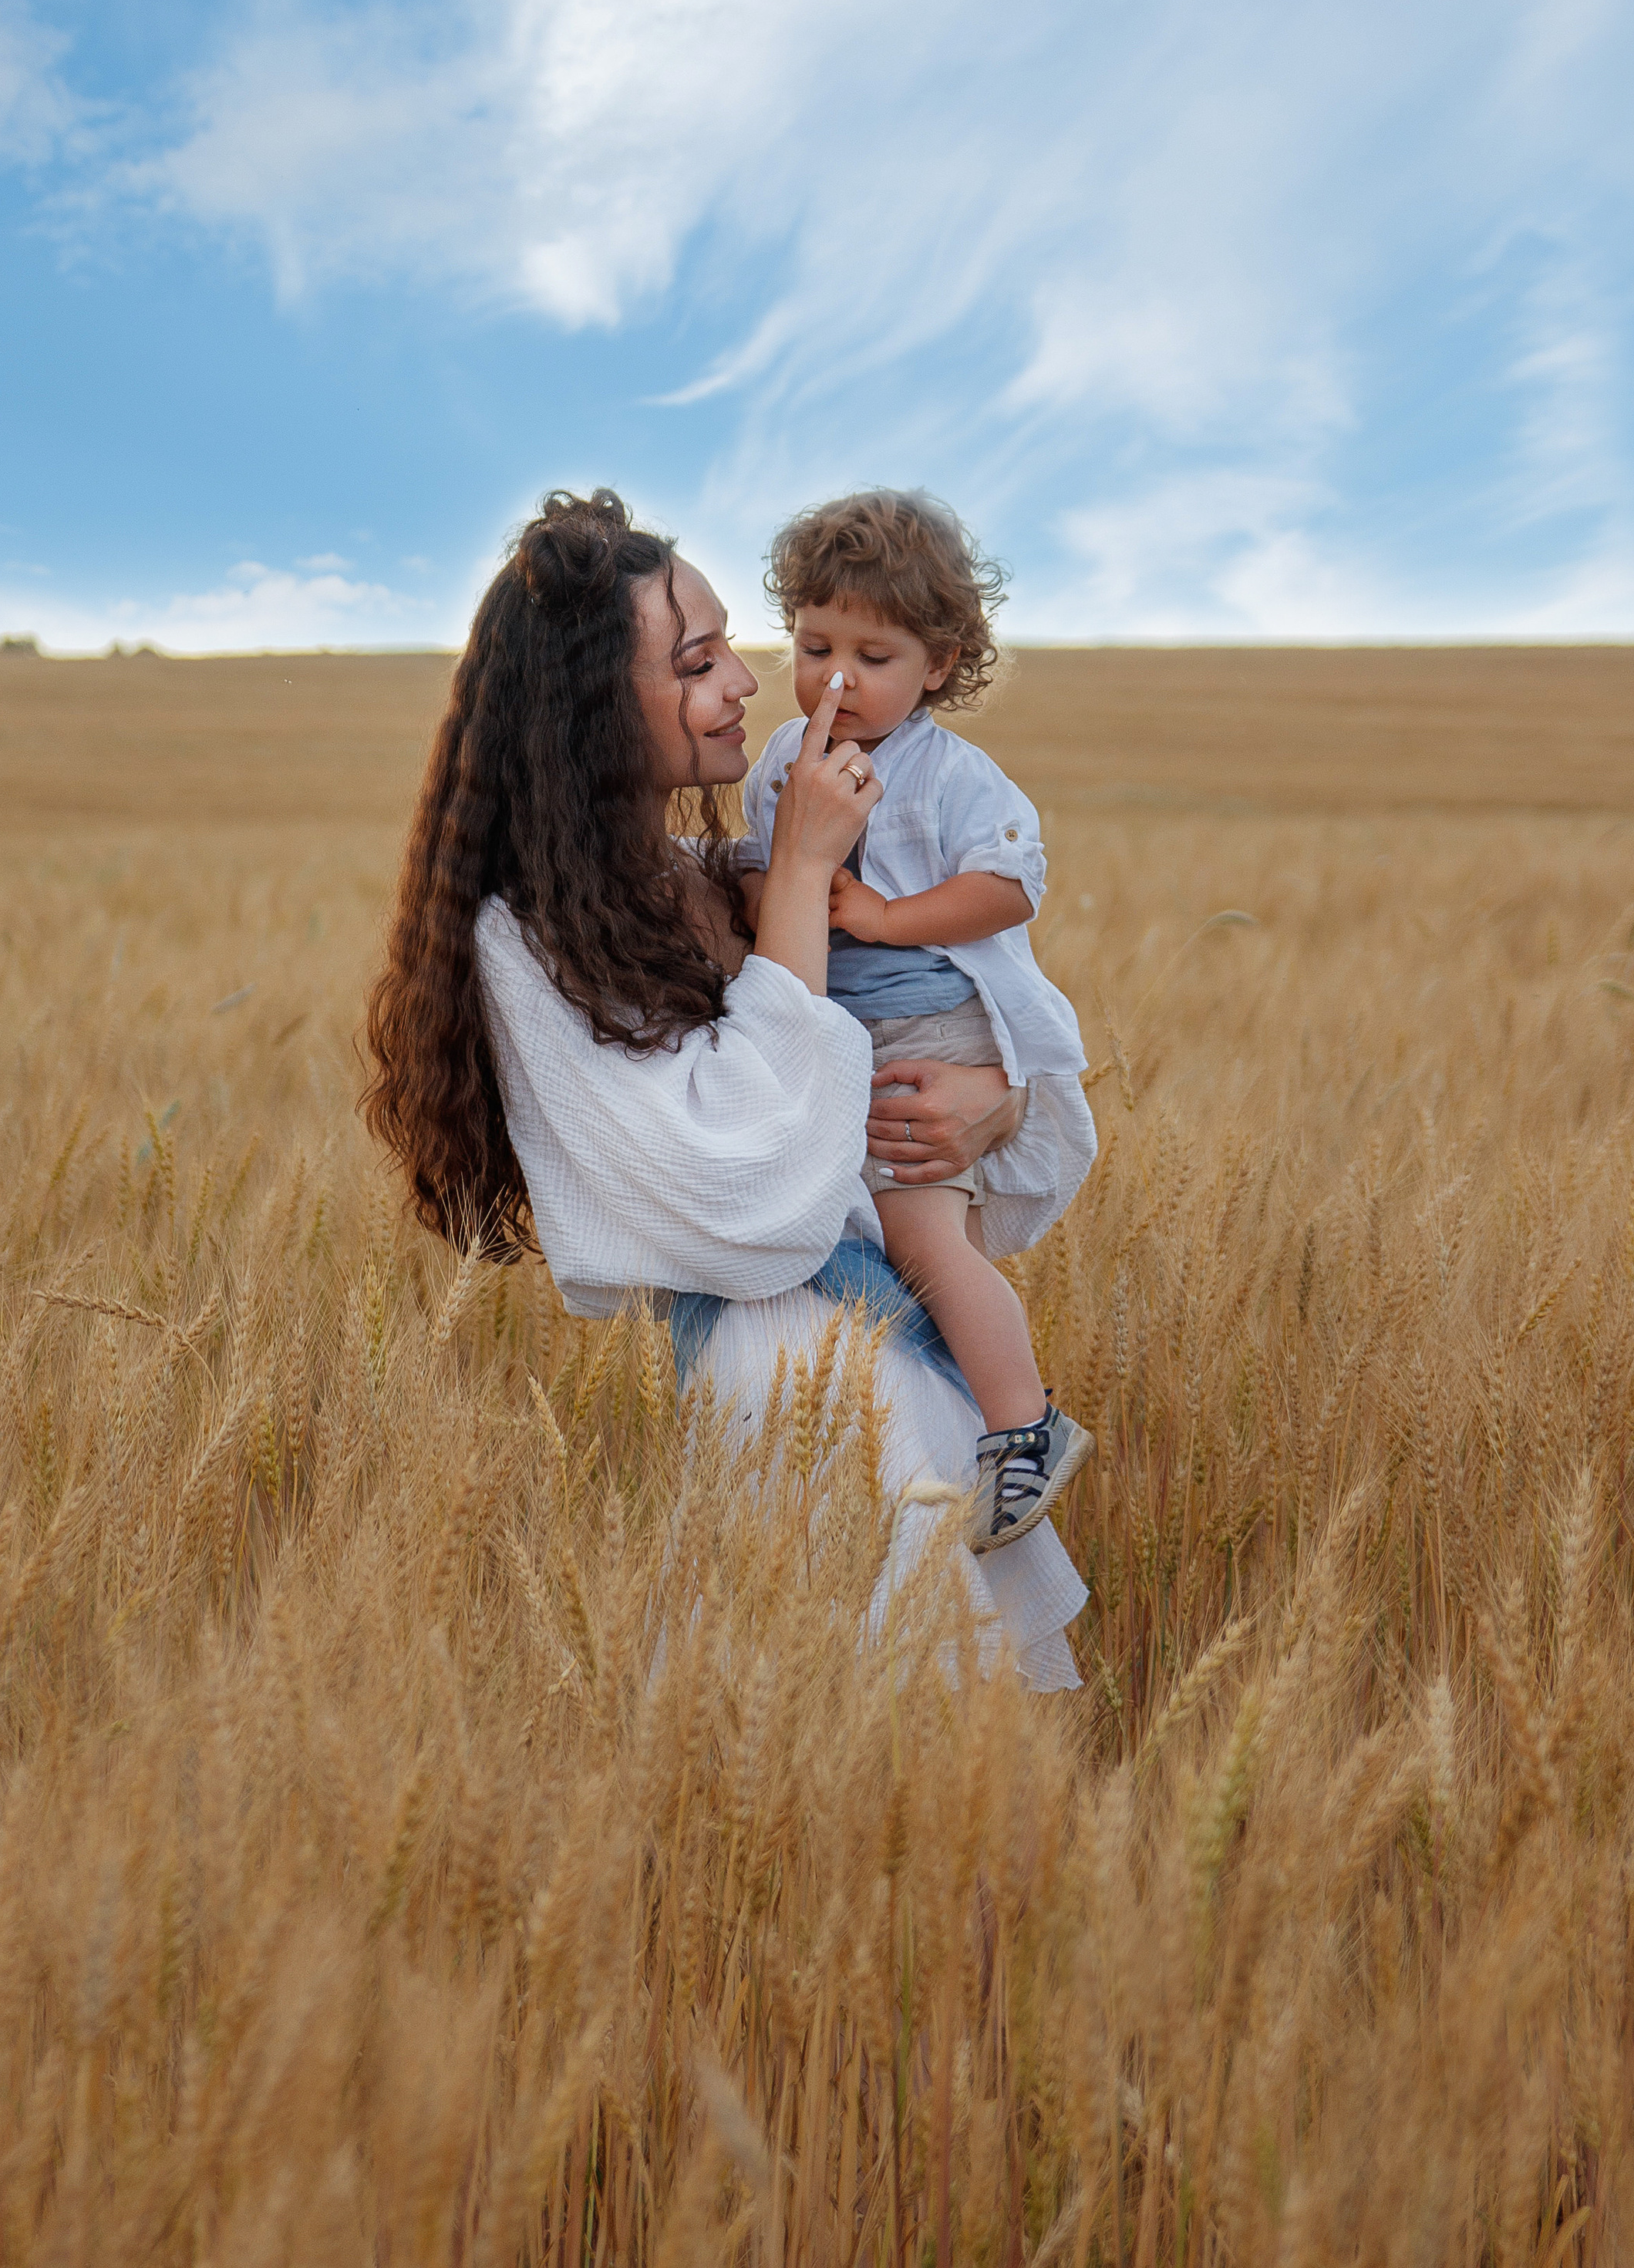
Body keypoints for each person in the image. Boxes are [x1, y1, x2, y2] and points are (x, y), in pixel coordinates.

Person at [362, 487, 1087, 1691]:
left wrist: (996, 1101)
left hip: (894, 1353)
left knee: (970, 1790)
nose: (753, 684)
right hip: (791, 1384)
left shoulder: (709, 882)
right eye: (699, 662)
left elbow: (954, 1009)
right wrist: (803, 866)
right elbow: (751, 1183)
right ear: (595, 713)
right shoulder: (529, 943)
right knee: (859, 1760)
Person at [737, 490, 1097, 1551]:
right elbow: (763, 877)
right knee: (860, 1242)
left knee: (922, 1240)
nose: (835, 680)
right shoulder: (780, 762)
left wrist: (891, 916)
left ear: (940, 663)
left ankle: (1023, 1425)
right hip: (836, 1027)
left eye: (874, 657)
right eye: (813, 646)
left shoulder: (949, 774)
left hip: (928, 1028)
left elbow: (1009, 886)